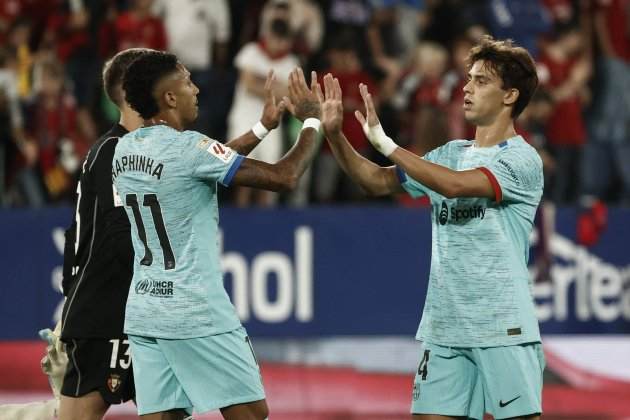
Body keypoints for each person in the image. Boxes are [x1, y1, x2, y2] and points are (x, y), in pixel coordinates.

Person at [319, 35, 545, 420]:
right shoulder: (449, 154)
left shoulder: (523, 160)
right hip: (444, 328)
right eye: (468, 78)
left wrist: (387, 144)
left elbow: (456, 185)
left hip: (501, 328)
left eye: (481, 81)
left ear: (510, 96)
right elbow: (375, 181)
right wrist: (335, 134)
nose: (467, 88)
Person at [113, 50, 322, 419]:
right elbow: (284, 176)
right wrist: (312, 123)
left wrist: (261, 128)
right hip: (195, 310)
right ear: (170, 98)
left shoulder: (124, 149)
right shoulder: (188, 147)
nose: (196, 89)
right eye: (187, 81)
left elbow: (207, 164)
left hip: (145, 309)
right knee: (251, 414)